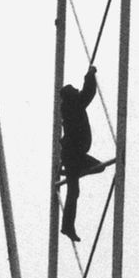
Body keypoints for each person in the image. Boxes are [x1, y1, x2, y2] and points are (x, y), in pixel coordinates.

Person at [59, 65, 109, 242]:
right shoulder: (73, 105)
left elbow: (85, 94)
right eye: (74, 90)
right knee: (75, 190)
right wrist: (90, 74)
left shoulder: (69, 107)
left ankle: (67, 226)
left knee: (95, 171)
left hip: (72, 155)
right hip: (73, 155)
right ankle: (67, 226)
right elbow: (88, 93)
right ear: (70, 95)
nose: (77, 91)